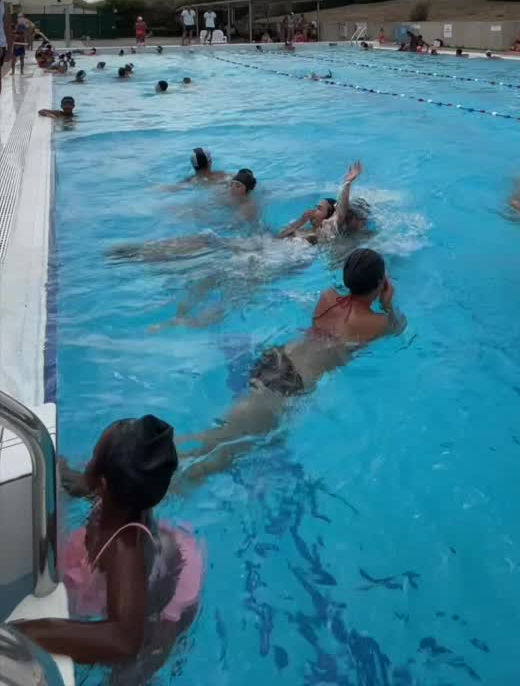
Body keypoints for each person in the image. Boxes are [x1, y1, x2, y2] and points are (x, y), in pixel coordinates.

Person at [178, 248, 405, 486]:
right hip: (292, 381)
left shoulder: (327, 296)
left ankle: (177, 465)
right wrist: (387, 304)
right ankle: (179, 484)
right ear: (381, 282)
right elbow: (399, 327)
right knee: (229, 450)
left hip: (277, 356)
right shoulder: (377, 322)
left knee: (225, 429)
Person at [12, 416, 202, 674]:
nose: (88, 463)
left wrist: (24, 633)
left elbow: (124, 640)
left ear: (103, 484)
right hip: (155, 556)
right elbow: (82, 484)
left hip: (161, 599)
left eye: (92, 457)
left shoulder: (126, 547)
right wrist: (58, 469)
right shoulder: (121, 499)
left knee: (133, 668)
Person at [278, 161, 369, 243]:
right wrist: (301, 221)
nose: (313, 211)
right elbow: (279, 237)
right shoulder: (307, 230)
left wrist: (347, 183)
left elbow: (341, 211)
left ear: (328, 215)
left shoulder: (329, 226)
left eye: (319, 209)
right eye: (316, 207)